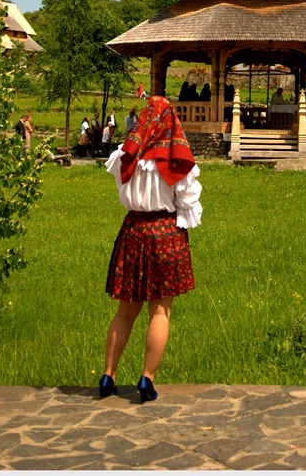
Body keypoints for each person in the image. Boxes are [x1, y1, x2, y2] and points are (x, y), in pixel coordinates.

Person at [99, 96, 202, 403]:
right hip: (164, 231)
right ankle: (147, 380)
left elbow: (122, 188)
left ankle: (108, 376)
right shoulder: (176, 158)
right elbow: (188, 203)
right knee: (160, 309)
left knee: (126, 309)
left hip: (132, 230)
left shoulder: (124, 155)